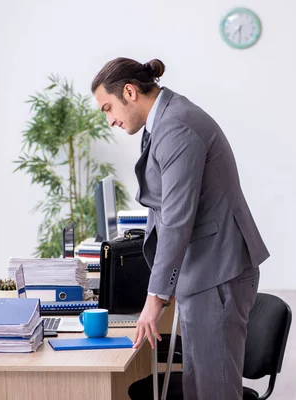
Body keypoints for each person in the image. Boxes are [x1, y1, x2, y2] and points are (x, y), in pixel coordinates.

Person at [91, 57, 270, 400]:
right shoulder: (163, 122)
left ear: (129, 92)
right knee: (199, 388)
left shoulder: (177, 127)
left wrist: (154, 300)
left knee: (213, 391)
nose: (110, 119)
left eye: (107, 108)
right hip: (207, 268)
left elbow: (175, 218)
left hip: (217, 270)